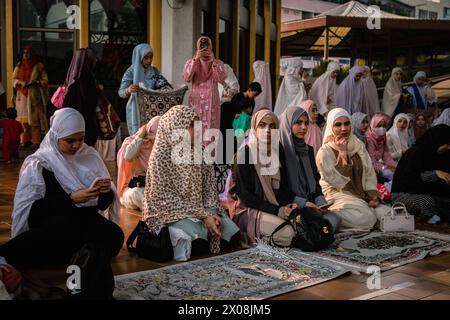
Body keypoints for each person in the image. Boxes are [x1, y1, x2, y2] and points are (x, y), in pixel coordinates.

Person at [0, 108, 123, 298]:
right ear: (56, 136)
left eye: (80, 139)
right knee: (54, 233)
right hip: (56, 224)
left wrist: (104, 193)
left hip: (85, 222)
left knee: (114, 236)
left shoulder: (88, 156)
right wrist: (72, 199)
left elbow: (102, 205)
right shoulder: (40, 164)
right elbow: (34, 215)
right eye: (70, 140)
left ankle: (77, 254)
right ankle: (79, 254)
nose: (76, 145)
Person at [142, 105, 239, 261]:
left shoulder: (200, 151)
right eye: (191, 126)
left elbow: (209, 190)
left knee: (232, 236)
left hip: (201, 209)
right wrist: (204, 216)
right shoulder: (161, 155)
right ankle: (174, 234)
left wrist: (212, 213)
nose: (198, 129)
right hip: (170, 212)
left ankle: (199, 227)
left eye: (197, 124)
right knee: (200, 243)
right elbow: (165, 200)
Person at [230, 110, 297, 247]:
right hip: (248, 209)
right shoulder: (244, 155)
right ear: (254, 127)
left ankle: (268, 236)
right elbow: (245, 196)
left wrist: (287, 206)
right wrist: (276, 210)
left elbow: (283, 187)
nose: (267, 130)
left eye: (272, 126)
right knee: (288, 233)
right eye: (262, 125)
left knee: (301, 223)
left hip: (273, 207)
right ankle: (254, 237)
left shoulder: (277, 150)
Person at [316, 108, 390, 231]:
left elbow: (369, 174)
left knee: (387, 214)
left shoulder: (358, 145)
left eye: (347, 123)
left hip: (360, 194)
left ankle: (365, 210)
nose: (344, 128)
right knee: (367, 219)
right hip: (337, 194)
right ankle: (327, 214)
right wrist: (343, 154)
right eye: (338, 125)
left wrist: (372, 196)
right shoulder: (325, 152)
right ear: (330, 127)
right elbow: (338, 182)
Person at [279, 106, 341, 232]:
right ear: (288, 124)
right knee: (313, 226)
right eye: (298, 122)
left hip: (311, 202)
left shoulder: (308, 149)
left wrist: (320, 201)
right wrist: (304, 203)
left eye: (306, 123)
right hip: (291, 204)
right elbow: (280, 190)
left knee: (336, 219)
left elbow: (315, 177)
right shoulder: (280, 151)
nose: (304, 127)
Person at [392, 124, 450, 224]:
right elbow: (410, 181)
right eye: (447, 144)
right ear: (437, 140)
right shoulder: (414, 153)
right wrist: (434, 174)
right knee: (427, 201)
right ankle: (430, 217)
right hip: (405, 195)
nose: (449, 147)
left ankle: (436, 214)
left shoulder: (443, 155)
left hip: (429, 193)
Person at [119, 43, 170, 136]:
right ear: (139, 57)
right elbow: (121, 92)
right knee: (137, 138)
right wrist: (128, 90)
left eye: (151, 57)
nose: (149, 60)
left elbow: (165, 87)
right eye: (146, 58)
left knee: (152, 137)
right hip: (135, 110)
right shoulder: (131, 72)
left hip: (152, 109)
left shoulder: (155, 71)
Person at [183, 37, 227, 144]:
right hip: (196, 102)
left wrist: (214, 62)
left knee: (211, 129)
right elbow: (187, 77)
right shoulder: (191, 62)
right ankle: (196, 157)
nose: (204, 49)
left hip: (212, 102)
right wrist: (195, 60)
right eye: (201, 47)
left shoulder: (218, 63)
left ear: (211, 47)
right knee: (196, 127)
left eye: (207, 46)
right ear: (197, 47)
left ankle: (209, 159)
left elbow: (220, 79)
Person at [117, 116, 160, 211]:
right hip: (139, 185)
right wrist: (140, 136)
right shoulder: (137, 142)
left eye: (158, 133)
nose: (154, 136)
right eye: (152, 132)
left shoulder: (163, 144)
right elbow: (128, 156)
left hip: (157, 186)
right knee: (138, 194)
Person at [12, 45, 49, 147]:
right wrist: (19, 82)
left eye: (28, 53)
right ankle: (24, 141)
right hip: (22, 96)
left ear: (32, 54)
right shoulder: (19, 65)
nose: (25, 55)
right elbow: (13, 79)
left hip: (34, 96)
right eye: (24, 53)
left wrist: (36, 82)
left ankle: (36, 141)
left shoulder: (39, 66)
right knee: (23, 121)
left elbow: (45, 80)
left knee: (35, 120)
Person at [63, 48, 99, 146]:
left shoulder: (71, 77)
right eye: (93, 58)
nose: (95, 60)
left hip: (72, 119)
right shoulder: (86, 75)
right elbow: (89, 98)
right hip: (84, 118)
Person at [366, 114, 397, 182]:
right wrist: (385, 167)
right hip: (373, 167)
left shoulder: (383, 137)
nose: (382, 128)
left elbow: (386, 154)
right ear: (373, 125)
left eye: (384, 126)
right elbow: (371, 160)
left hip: (381, 164)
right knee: (390, 174)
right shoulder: (369, 139)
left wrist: (394, 166)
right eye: (379, 126)